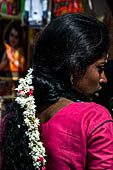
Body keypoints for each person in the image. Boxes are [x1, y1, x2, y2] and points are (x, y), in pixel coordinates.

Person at [0, 13, 113, 170]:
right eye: (100, 69)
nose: (103, 78)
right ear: (74, 66)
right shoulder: (93, 118)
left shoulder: (11, 119)